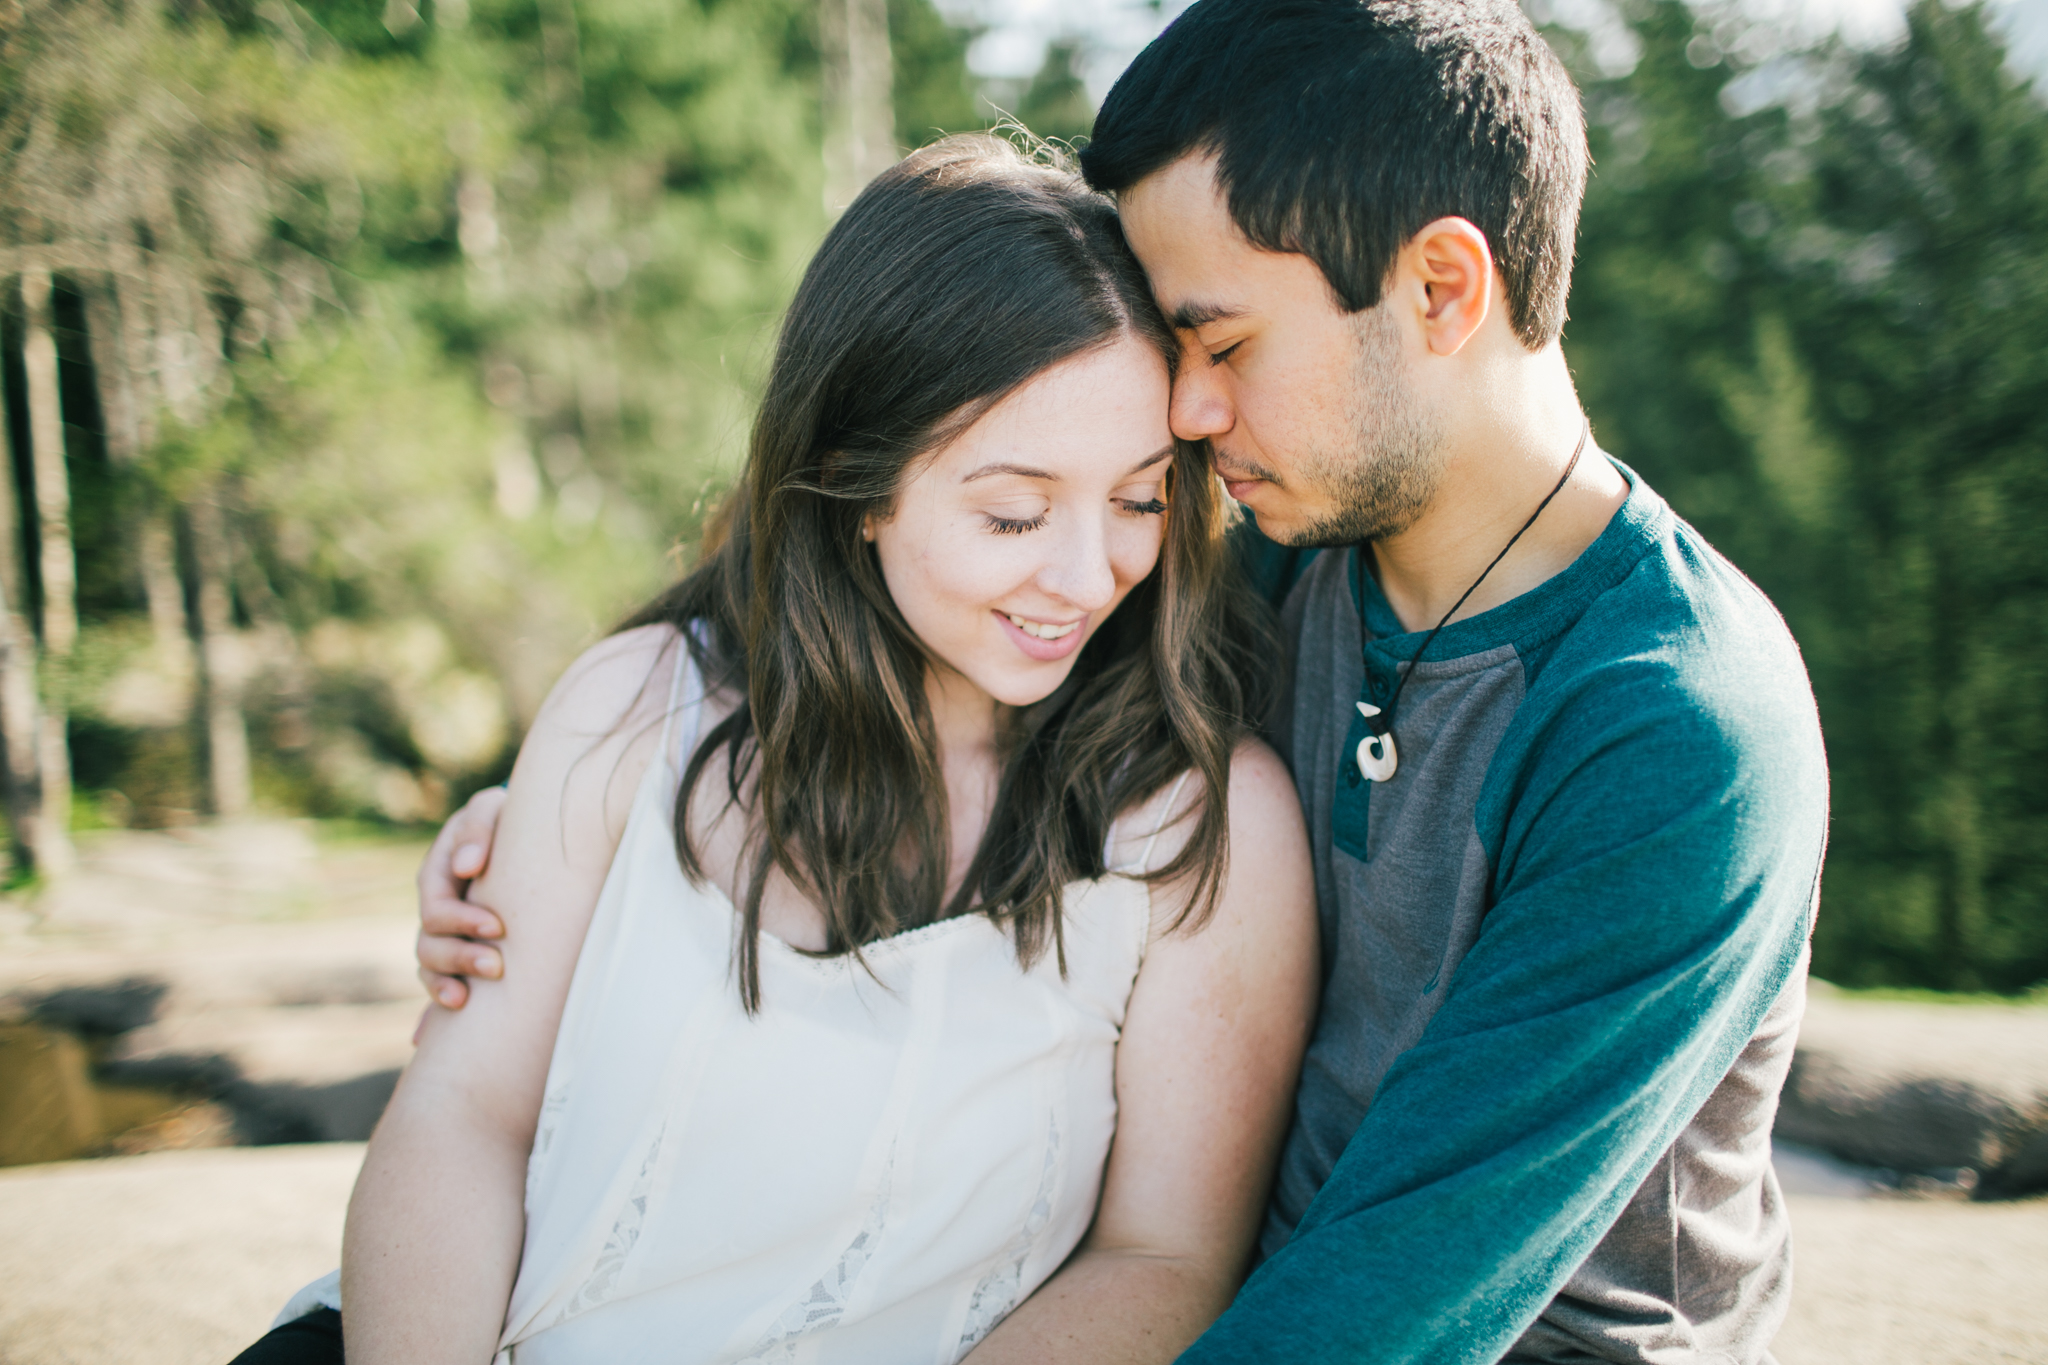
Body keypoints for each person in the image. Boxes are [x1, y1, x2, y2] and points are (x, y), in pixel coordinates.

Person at [419, 2, 1832, 1362]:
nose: (1191, 409)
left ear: (1443, 288)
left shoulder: (1678, 727)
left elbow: (1403, 1291)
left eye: (1222, 343)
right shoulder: (1279, 560)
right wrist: (556, 828)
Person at [239, 135, 1319, 1365]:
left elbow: (1163, 1259)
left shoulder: (1194, 828)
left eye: (1138, 498)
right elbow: (464, 1114)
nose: (1087, 576)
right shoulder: (635, 710)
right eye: (1013, 510)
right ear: (856, 485)